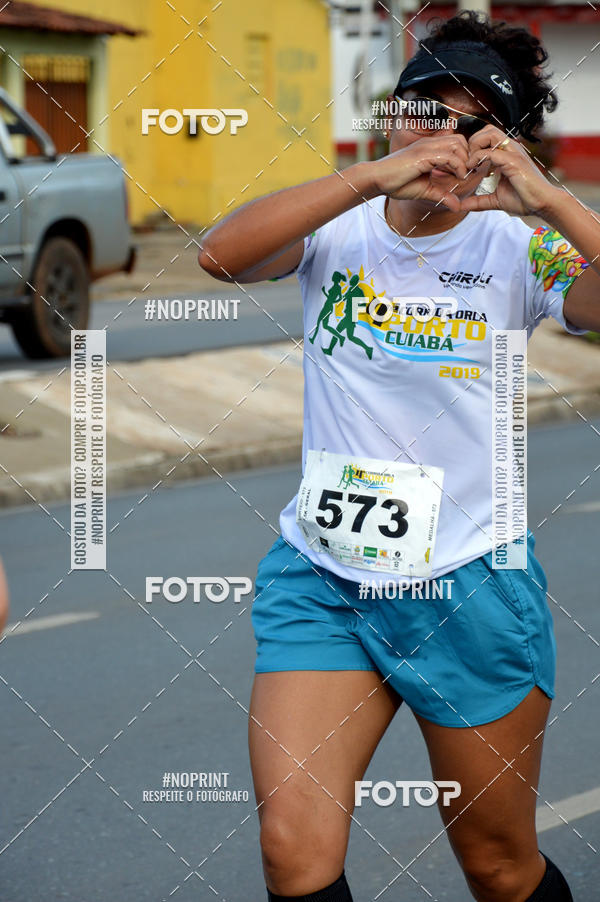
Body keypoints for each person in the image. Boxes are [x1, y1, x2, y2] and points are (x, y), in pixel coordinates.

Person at [199, 11, 599, 901]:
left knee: (498, 867)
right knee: (291, 853)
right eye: (426, 110)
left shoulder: (519, 243)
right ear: (394, 115)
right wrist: (367, 179)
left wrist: (554, 202)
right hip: (323, 576)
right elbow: (220, 257)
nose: (442, 140)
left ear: (502, 144)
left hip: (467, 583)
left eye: (471, 124)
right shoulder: (338, 226)